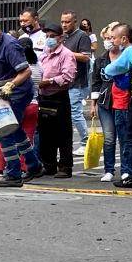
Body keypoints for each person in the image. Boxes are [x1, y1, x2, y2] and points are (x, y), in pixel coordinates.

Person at [0, 17, 43, 187]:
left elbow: (26, 72)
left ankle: (14, 173)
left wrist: (11, 85)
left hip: (17, 93)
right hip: (1, 93)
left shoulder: (10, 45)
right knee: (15, 131)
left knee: (3, 131)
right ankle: (34, 165)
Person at [91, 23, 132, 183]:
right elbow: (95, 82)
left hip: (123, 101)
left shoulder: (127, 56)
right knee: (109, 138)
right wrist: (93, 104)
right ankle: (109, 170)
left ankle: (126, 170)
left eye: (111, 38)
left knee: (124, 137)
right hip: (105, 102)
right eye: (107, 38)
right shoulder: (101, 59)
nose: (109, 41)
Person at [36, 23, 77, 178]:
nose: (49, 39)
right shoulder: (44, 53)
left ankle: (65, 167)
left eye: (52, 36)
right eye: (47, 36)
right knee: (46, 134)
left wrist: (49, 81)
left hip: (58, 97)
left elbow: (68, 77)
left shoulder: (66, 55)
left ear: (60, 38)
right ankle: (49, 165)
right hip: (43, 97)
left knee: (63, 134)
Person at [101, 23, 132, 187]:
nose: (113, 41)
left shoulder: (129, 51)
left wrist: (106, 70)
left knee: (130, 138)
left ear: (124, 38)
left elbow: (111, 69)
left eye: (114, 38)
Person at [59, 10, 92, 154]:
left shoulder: (82, 36)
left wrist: (66, 53)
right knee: (66, 114)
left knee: (75, 113)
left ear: (74, 22)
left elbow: (86, 57)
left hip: (77, 81)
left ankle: (86, 142)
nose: (64, 25)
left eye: (67, 22)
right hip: (64, 81)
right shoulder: (63, 37)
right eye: (62, 22)